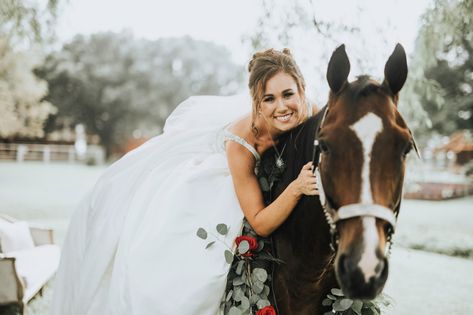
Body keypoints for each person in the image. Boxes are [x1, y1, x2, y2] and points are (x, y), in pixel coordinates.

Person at [51, 48, 318, 315]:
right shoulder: (243, 142)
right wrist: (296, 187)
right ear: (256, 102)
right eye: (268, 99)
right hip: (215, 179)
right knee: (195, 273)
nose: (281, 107)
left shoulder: (313, 113)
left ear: (302, 89)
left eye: (288, 94)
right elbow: (259, 222)